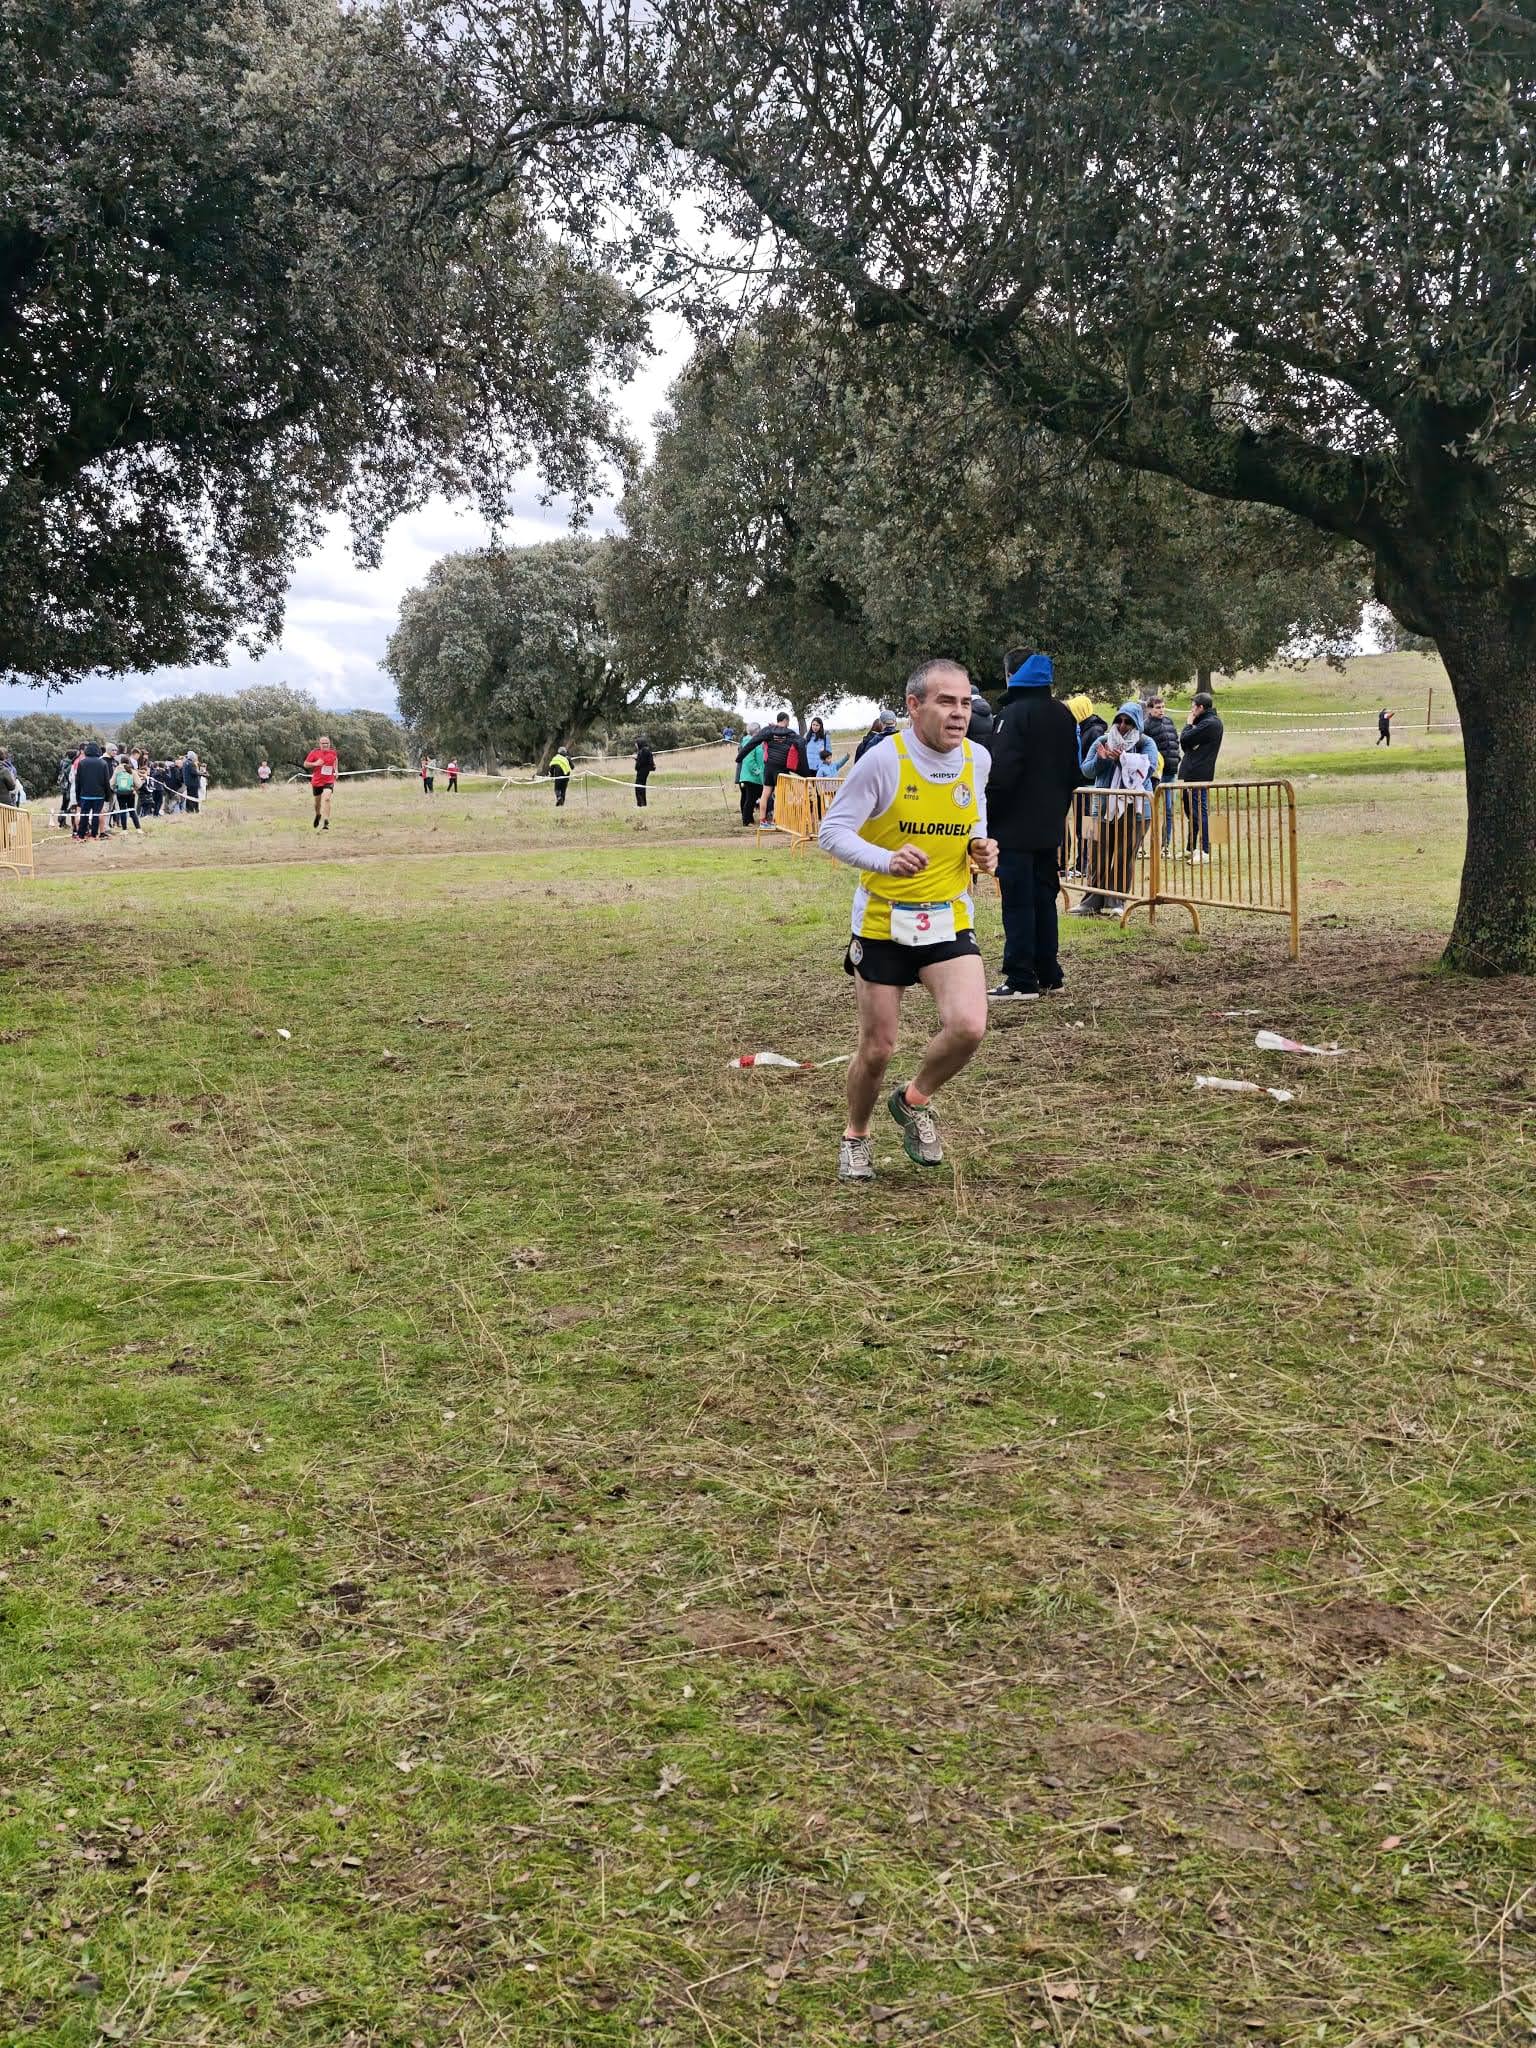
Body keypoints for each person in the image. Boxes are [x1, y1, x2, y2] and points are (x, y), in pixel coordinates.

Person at [818, 659, 998, 1184]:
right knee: (877, 1048)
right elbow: (833, 831)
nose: (959, 713)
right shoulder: (884, 761)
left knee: (968, 1026)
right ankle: (856, 1134)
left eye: (966, 703)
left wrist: (981, 849)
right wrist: (885, 858)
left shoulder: (977, 759)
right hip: (883, 921)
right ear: (914, 706)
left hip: (947, 915)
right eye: (946, 702)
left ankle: (913, 1099)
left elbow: (974, 818)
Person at [984, 652, 1081, 998]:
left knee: (1018, 903)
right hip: (1050, 825)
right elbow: (1074, 770)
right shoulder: (1063, 713)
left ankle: (1021, 978)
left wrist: (987, 814)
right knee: (1044, 898)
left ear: (1012, 674)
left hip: (1014, 827)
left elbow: (1003, 773)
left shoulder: (1012, 715)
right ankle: (1049, 973)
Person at [1070, 702, 1160, 916]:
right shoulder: (1102, 740)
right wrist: (1103, 761)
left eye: (1128, 721)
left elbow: (1149, 770)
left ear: (1136, 723)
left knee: (1123, 855)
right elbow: (1087, 770)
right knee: (1097, 853)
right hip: (1101, 806)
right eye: (1119, 720)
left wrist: (1122, 760)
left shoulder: (1146, 743)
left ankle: (1116, 902)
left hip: (1135, 810)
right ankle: (1091, 900)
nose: (1122, 725)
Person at [734, 711, 809, 823]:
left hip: (768, 768)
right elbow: (802, 742)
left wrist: (739, 757)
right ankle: (776, 820)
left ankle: (762, 820)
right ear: (786, 720)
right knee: (779, 795)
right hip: (782, 770)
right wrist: (805, 772)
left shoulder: (768, 731)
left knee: (765, 794)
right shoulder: (791, 734)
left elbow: (752, 742)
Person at [1178, 690, 1224, 860]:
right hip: (1190, 771)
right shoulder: (1204, 722)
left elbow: (1184, 738)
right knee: (1191, 812)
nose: (1191, 710)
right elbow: (1186, 744)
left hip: (1199, 773)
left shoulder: (1211, 723)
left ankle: (1205, 851)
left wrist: (1189, 724)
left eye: (1193, 707)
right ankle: (1191, 848)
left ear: (1201, 707)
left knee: (1200, 812)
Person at [1140, 693, 1181, 850]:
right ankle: (1141, 845)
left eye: (1163, 707)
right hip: (1155, 775)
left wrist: (1177, 759)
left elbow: (1175, 742)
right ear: (1150, 709)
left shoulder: (1169, 722)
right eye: (1158, 707)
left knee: (1169, 810)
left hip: (1171, 772)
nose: (1161, 710)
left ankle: (1165, 845)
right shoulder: (1146, 726)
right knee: (1149, 812)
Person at [72, 740, 112, 839]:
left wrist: (78, 797)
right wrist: (108, 796)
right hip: (99, 795)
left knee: (84, 815)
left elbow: (78, 782)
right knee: (96, 815)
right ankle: (94, 834)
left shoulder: (82, 763)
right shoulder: (103, 763)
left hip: (85, 795)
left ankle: (81, 835)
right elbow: (106, 781)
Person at [304, 734, 339, 829]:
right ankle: (318, 814)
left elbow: (335, 760)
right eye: (323, 743)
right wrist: (315, 763)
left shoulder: (333, 752)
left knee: (327, 798)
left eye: (327, 743)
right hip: (317, 781)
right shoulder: (314, 753)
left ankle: (326, 821)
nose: (325, 745)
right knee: (317, 803)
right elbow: (306, 764)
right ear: (319, 744)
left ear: (329, 743)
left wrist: (336, 770)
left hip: (329, 780)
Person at [737, 734, 765, 827]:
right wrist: (757, 771)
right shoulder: (751, 742)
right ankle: (746, 820)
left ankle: (748, 819)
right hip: (751, 777)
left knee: (750, 799)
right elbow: (749, 760)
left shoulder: (753, 742)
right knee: (750, 799)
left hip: (750, 776)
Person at [110, 751, 141, 830]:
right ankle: (138, 828)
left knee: (122, 810)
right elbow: (139, 783)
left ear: (120, 762)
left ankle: (124, 829)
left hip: (120, 793)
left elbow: (111, 783)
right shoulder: (131, 770)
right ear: (128, 761)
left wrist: (115, 789)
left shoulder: (117, 770)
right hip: (130, 793)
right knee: (132, 810)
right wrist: (134, 789)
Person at [634, 735, 656, 809]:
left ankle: (641, 804)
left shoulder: (643, 751)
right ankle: (643, 804)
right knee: (641, 786)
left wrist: (637, 759)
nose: (635, 745)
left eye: (636, 743)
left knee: (639, 787)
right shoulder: (646, 750)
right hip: (645, 771)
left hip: (642, 771)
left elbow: (641, 763)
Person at [182, 748, 202, 814]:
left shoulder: (185, 763)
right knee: (195, 797)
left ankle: (189, 810)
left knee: (189, 797)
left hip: (188, 783)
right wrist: (202, 774)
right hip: (193, 783)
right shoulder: (191, 764)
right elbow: (194, 773)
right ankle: (196, 810)